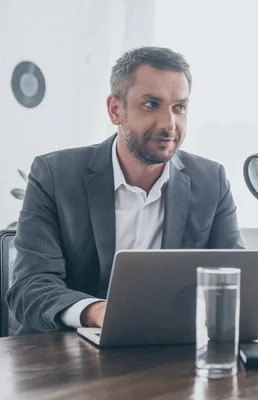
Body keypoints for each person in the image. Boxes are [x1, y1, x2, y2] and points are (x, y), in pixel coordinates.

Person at [6, 47, 244, 334]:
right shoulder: (55, 175)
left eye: (179, 107)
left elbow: (236, 278)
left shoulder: (211, 180)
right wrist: (96, 311)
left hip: (168, 354)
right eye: (151, 104)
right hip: (65, 356)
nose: (169, 124)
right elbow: (30, 286)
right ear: (115, 109)